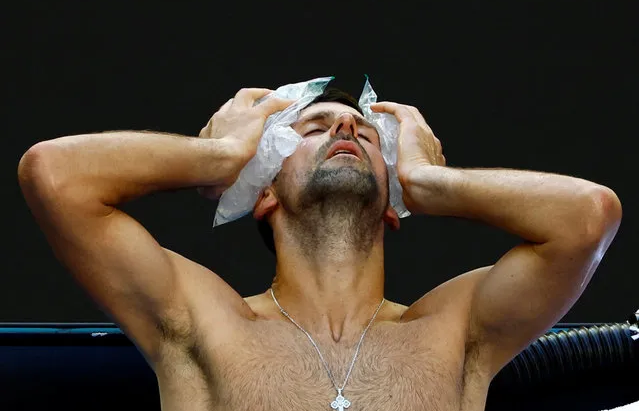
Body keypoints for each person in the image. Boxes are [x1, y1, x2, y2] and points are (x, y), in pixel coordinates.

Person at [18, 86, 622, 411]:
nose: (345, 129)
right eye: (312, 128)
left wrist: (433, 181)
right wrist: (219, 156)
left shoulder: (458, 328)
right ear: (264, 193)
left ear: (393, 200)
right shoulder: (198, 318)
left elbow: (587, 217)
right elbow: (54, 175)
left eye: (365, 133)